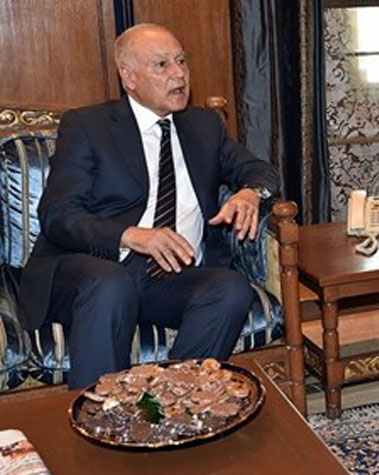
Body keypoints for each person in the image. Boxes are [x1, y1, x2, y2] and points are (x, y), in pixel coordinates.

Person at [17, 24, 280, 389]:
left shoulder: (203, 125)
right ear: (129, 77)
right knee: (112, 284)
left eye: (181, 61)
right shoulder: (89, 126)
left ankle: (173, 401)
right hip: (96, 269)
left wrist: (251, 192)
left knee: (230, 288)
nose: (179, 74)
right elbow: (57, 215)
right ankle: (100, 411)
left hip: (170, 278)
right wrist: (131, 236)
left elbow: (259, 170)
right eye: (162, 65)